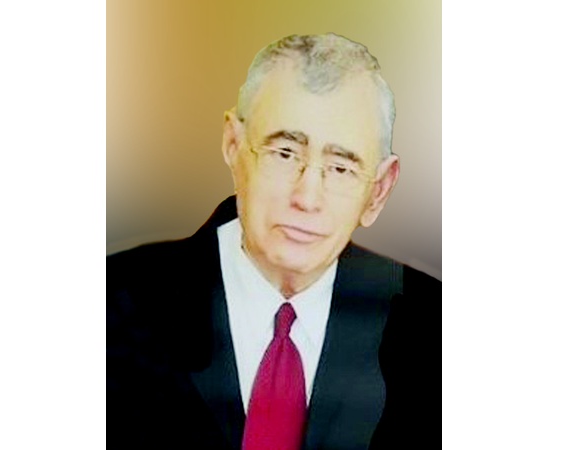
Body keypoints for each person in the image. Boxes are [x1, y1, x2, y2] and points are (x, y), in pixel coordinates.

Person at [107, 33, 441, 449]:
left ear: (378, 191)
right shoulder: (113, 303)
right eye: (284, 153)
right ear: (233, 145)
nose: (307, 198)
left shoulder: (435, 332)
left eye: (341, 168)